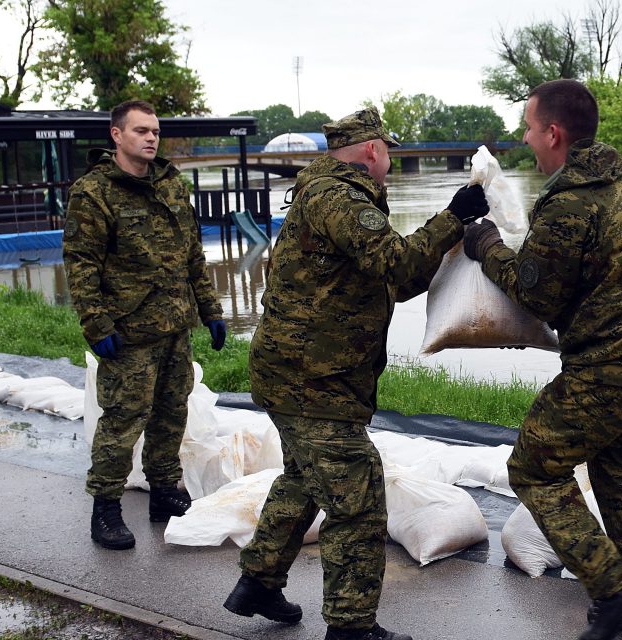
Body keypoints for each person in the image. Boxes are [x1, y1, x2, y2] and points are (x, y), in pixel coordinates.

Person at [221, 107, 490, 640]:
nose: (387, 157)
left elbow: (390, 281)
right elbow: (399, 265)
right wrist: (453, 217)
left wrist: (447, 245)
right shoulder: (340, 199)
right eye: (386, 148)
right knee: (360, 496)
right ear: (372, 150)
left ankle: (257, 583)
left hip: (305, 373)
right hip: (311, 379)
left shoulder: (330, 195)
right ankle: (350, 626)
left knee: (304, 482)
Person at [461, 79, 622, 640]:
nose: (525, 137)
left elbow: (535, 296)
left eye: (530, 128)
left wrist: (485, 244)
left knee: (534, 468)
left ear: (554, 133)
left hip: (611, 370)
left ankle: (616, 589)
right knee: (617, 473)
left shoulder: (568, 205)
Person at [63, 99, 227, 551]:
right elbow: (81, 266)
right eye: (140, 131)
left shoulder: (172, 186)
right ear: (117, 136)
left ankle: (165, 493)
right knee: (122, 421)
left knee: (172, 415)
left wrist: (210, 311)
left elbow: (193, 256)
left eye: (154, 130)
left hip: (175, 325)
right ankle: (106, 507)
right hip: (128, 330)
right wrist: (96, 324)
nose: (151, 137)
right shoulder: (94, 192)